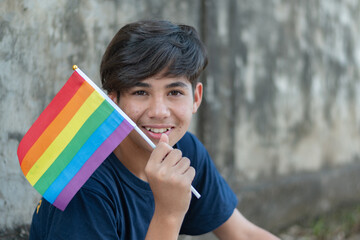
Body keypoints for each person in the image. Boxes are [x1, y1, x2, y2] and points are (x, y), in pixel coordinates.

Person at [29, 19, 279, 239]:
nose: (159, 111)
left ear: (196, 98)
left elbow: (243, 233)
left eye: (174, 92)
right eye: (140, 92)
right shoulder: (85, 182)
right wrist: (169, 213)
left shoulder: (185, 151)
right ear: (113, 101)